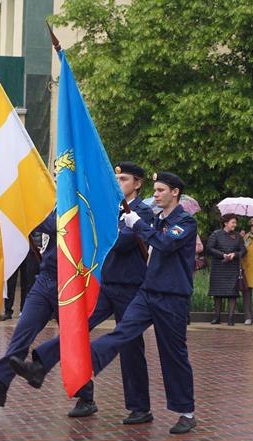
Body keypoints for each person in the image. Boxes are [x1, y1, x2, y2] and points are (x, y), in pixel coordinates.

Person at [13, 171, 198, 434]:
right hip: (145, 292)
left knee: (173, 354)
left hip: (170, 296)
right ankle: (66, 362)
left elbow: (164, 244)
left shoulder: (184, 222)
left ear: (174, 192)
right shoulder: (154, 219)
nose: (156, 195)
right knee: (113, 333)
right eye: (155, 191)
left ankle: (185, 412)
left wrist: (135, 225)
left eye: (161, 190)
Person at [8, 162, 154, 421]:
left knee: (131, 347)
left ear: (138, 184)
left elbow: (121, 242)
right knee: (77, 327)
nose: (118, 182)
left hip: (130, 287)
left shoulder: (142, 211)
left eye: (124, 179)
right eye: (117, 178)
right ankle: (41, 365)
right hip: (105, 284)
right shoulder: (106, 208)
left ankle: (140, 407)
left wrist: (97, 229)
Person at [0, 209, 63, 409]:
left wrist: (29, 208)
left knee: (72, 339)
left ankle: (85, 394)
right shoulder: (55, 202)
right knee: (23, 330)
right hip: (46, 277)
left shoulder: (78, 198)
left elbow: (57, 224)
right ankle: (0, 387)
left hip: (70, 281)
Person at [206, 213, 246, 325]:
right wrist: (222, 255)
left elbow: (243, 251)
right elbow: (209, 248)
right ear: (226, 223)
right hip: (219, 267)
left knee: (232, 293)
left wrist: (235, 254)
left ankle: (231, 318)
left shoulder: (238, 236)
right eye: (233, 222)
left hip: (232, 267)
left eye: (235, 222)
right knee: (217, 293)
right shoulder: (216, 234)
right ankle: (217, 317)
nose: (235, 225)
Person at [1, 247, 39, 320]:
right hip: (13, 250)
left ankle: (23, 310)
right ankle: (8, 311)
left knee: (27, 281)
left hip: (27, 250)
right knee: (10, 282)